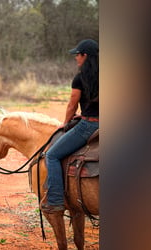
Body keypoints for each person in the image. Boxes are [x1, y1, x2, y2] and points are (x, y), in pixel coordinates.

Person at [40, 39, 99, 213]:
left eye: (77, 55)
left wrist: (66, 123)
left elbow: (72, 104)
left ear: (85, 56)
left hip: (89, 126)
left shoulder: (80, 78)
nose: (76, 58)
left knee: (51, 155)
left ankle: (56, 199)